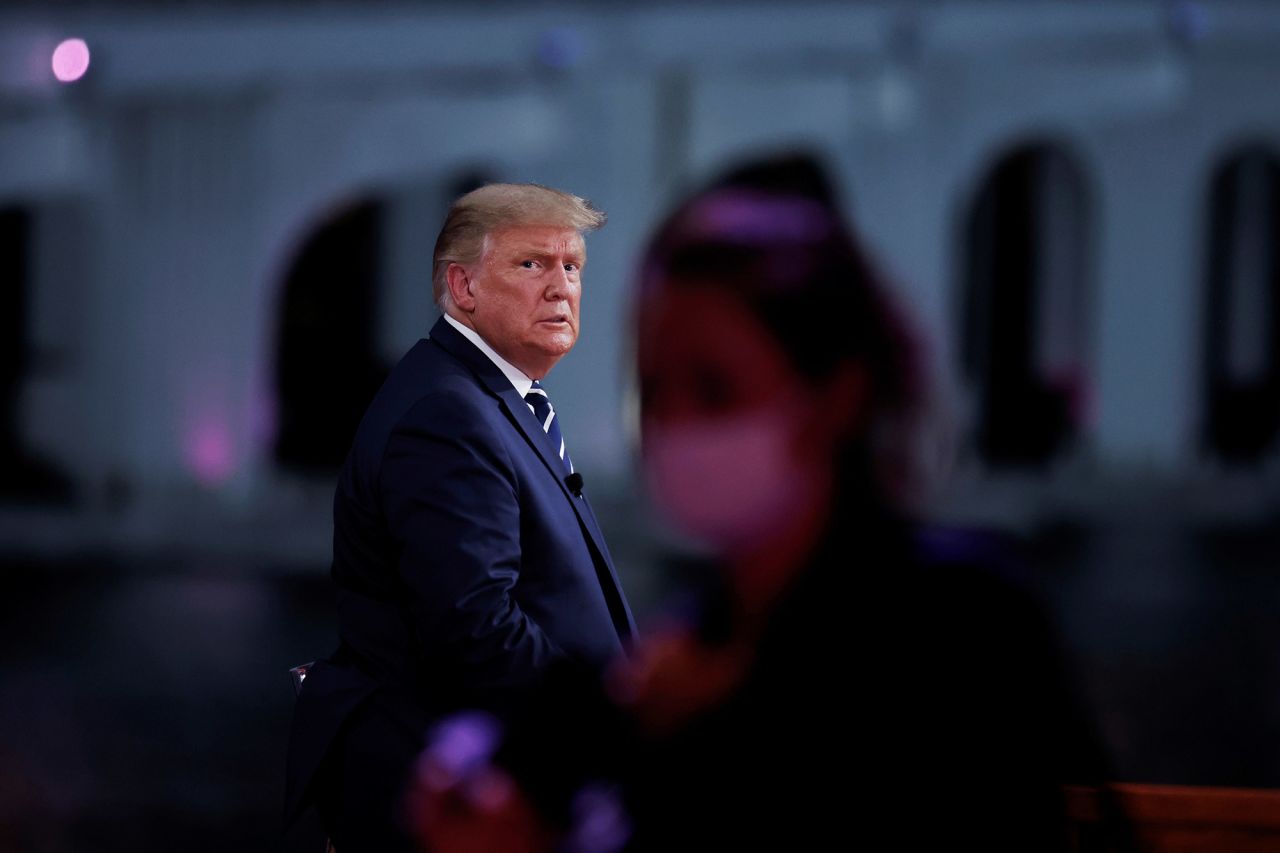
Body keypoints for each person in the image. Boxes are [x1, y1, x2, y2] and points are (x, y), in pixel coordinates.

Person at [407, 155, 1126, 852]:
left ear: (835, 393)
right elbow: (525, 747)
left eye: (714, 389)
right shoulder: (685, 644)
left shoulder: (964, 624)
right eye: (655, 392)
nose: (675, 427)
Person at [285, 183, 637, 853]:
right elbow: (475, 629)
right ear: (463, 286)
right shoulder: (447, 415)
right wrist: (615, 719)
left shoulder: (481, 399)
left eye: (573, 266)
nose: (561, 286)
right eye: (532, 264)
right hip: (457, 809)